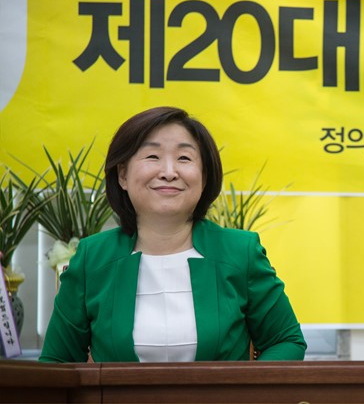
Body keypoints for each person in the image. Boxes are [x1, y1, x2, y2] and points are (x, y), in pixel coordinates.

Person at [40, 106, 306, 362]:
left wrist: (242, 387)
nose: (169, 173)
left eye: (184, 158)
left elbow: (285, 341)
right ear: (123, 175)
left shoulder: (240, 251)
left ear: (204, 177)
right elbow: (57, 362)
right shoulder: (92, 257)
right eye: (152, 157)